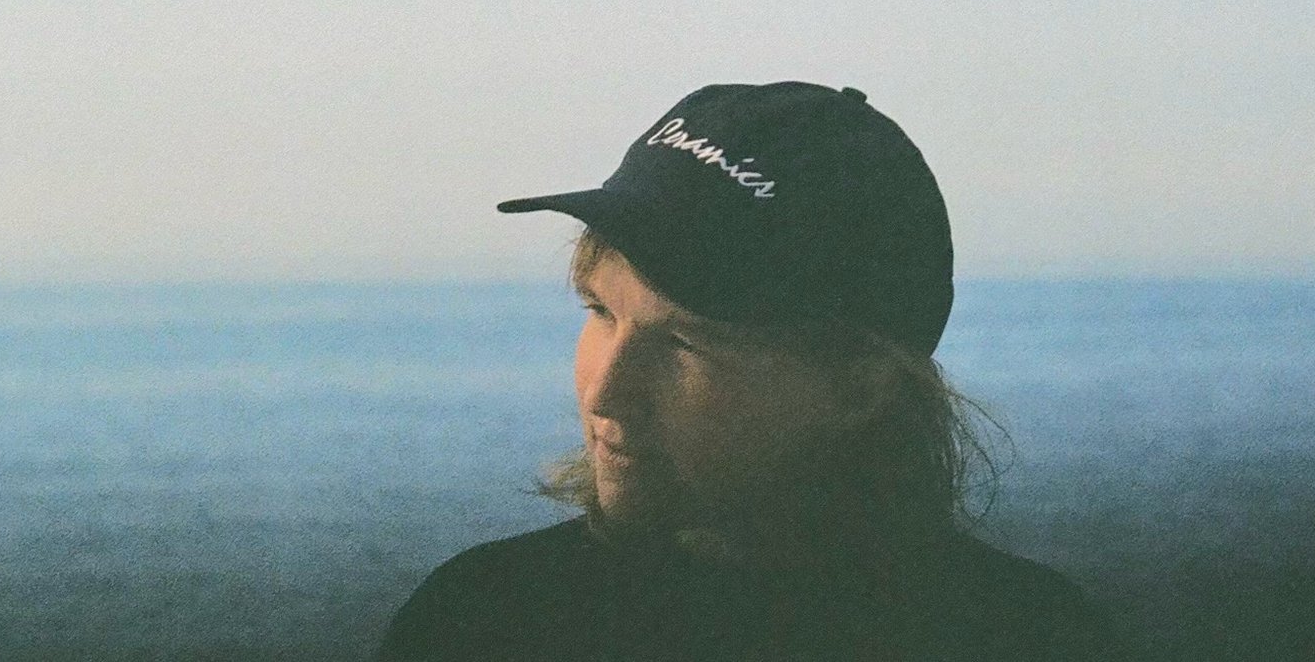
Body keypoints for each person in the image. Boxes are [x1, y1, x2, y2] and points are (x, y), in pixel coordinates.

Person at [377, 81, 1109, 661]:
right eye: (600, 310)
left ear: (860, 384)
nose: (607, 392)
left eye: (687, 343)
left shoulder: (1023, 638)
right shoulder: (485, 619)